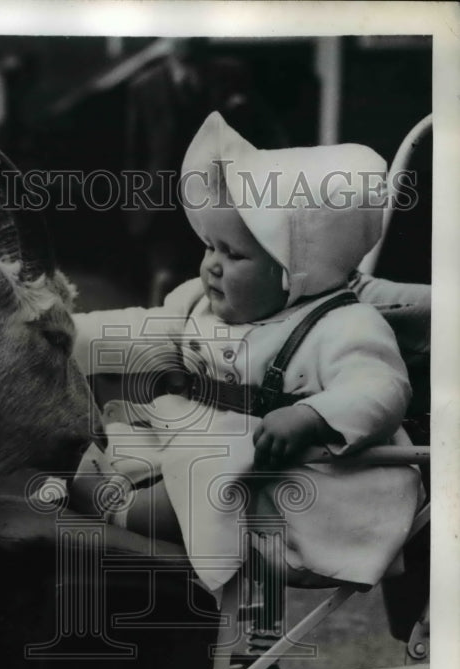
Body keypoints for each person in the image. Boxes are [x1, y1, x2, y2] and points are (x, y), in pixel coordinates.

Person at [68, 111, 423, 602]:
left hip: (293, 478)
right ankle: (118, 490)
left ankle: (118, 508)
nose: (212, 265)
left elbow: (380, 388)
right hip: (205, 440)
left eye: (233, 255)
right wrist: (70, 332)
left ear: (296, 270)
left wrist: (311, 415)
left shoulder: (343, 325)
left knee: (198, 479)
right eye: (210, 246)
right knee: (125, 436)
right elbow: (144, 328)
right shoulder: (198, 301)